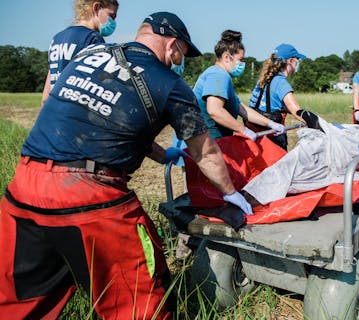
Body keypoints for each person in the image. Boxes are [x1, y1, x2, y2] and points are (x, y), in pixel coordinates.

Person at [0, 12, 252, 319]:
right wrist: (229, 192)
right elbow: (207, 153)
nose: (178, 62)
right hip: (89, 199)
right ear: (172, 44)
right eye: (180, 55)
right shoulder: (168, 82)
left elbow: (104, 119)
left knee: (21, 301)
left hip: (24, 188)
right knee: (140, 301)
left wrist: (163, 155)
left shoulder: (91, 55)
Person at [192, 30, 286, 143]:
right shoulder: (218, 75)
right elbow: (214, 110)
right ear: (227, 57)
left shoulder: (220, 75)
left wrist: (270, 123)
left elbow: (242, 109)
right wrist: (243, 130)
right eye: (240, 60)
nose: (243, 64)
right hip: (205, 145)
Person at [41, 0, 119, 105]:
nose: (113, 22)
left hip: (54, 107)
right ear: (96, 8)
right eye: (111, 16)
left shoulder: (56, 38)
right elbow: (99, 83)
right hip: (75, 109)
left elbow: (46, 93)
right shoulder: (93, 38)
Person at [248, 43, 321, 150]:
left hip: (255, 135)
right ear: (290, 61)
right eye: (297, 60)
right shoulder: (281, 83)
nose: (298, 63)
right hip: (272, 138)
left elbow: (269, 105)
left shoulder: (263, 79)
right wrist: (318, 123)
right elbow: (297, 112)